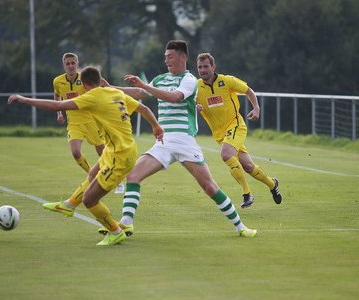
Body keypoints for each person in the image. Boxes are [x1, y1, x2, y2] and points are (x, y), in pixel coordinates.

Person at [101, 40, 257, 238]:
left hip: (184, 140)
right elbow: (140, 93)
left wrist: (144, 86)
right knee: (133, 175)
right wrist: (110, 88)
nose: (166, 60)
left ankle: (240, 227)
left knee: (209, 186)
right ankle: (126, 223)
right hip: (164, 141)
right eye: (165, 57)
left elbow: (175, 97)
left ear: (182, 57)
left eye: (170, 57)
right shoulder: (159, 79)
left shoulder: (190, 80)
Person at [7, 66, 164, 246]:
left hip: (119, 157)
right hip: (117, 150)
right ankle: (70, 205)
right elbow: (143, 108)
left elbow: (57, 106)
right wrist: (156, 126)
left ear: (85, 84)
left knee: (90, 199)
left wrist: (23, 99)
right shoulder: (114, 92)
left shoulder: (93, 96)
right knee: (92, 174)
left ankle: (115, 231)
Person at [196, 52, 282, 208]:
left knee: (226, 154)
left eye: (206, 66)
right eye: (200, 67)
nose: (202, 70)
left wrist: (256, 108)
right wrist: (194, 106)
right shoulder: (196, 87)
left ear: (213, 67)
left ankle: (247, 194)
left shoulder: (227, 81)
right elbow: (185, 102)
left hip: (236, 126)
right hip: (220, 135)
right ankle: (272, 184)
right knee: (249, 167)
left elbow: (248, 90)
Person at [54, 52, 124, 193]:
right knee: (75, 152)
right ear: (64, 65)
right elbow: (57, 95)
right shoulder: (58, 81)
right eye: (68, 63)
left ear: (77, 64)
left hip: (92, 120)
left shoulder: (85, 77)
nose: (71, 66)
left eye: (73, 63)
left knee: (104, 153)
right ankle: (92, 175)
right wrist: (59, 112)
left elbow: (103, 84)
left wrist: (111, 93)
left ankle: (118, 180)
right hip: (74, 123)